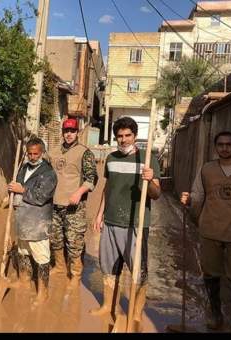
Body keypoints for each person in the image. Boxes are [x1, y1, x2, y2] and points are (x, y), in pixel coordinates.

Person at [91, 116, 161, 331]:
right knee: (109, 268)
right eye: (119, 136)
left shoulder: (148, 160)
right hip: (111, 221)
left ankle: (136, 312)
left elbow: (157, 194)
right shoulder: (111, 159)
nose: (123, 139)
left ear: (135, 136)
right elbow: (107, 188)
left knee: (138, 270)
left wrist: (149, 181)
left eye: (127, 135)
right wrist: (99, 214)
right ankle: (107, 306)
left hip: (136, 224)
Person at [180, 131, 231, 332]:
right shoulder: (206, 170)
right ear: (215, 147)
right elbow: (198, 196)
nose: (225, 148)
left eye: (229, 144)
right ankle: (216, 315)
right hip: (210, 231)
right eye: (221, 145)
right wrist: (189, 199)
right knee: (210, 275)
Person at [49, 118, 97, 290]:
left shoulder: (85, 153)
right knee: (55, 238)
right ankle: (60, 267)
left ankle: (75, 274)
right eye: (66, 131)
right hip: (54, 205)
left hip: (74, 207)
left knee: (74, 241)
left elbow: (92, 178)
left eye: (72, 131)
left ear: (77, 132)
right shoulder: (53, 152)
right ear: (62, 132)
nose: (69, 134)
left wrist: (79, 192)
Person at [8, 137, 57, 304]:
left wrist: (21, 189)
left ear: (42, 153)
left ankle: (43, 292)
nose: (32, 156)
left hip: (38, 222)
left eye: (36, 154)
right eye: (29, 153)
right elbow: (17, 187)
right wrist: (11, 193)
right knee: (23, 252)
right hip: (22, 219)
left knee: (42, 257)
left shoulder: (48, 173)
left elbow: (41, 197)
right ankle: (24, 281)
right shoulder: (23, 168)